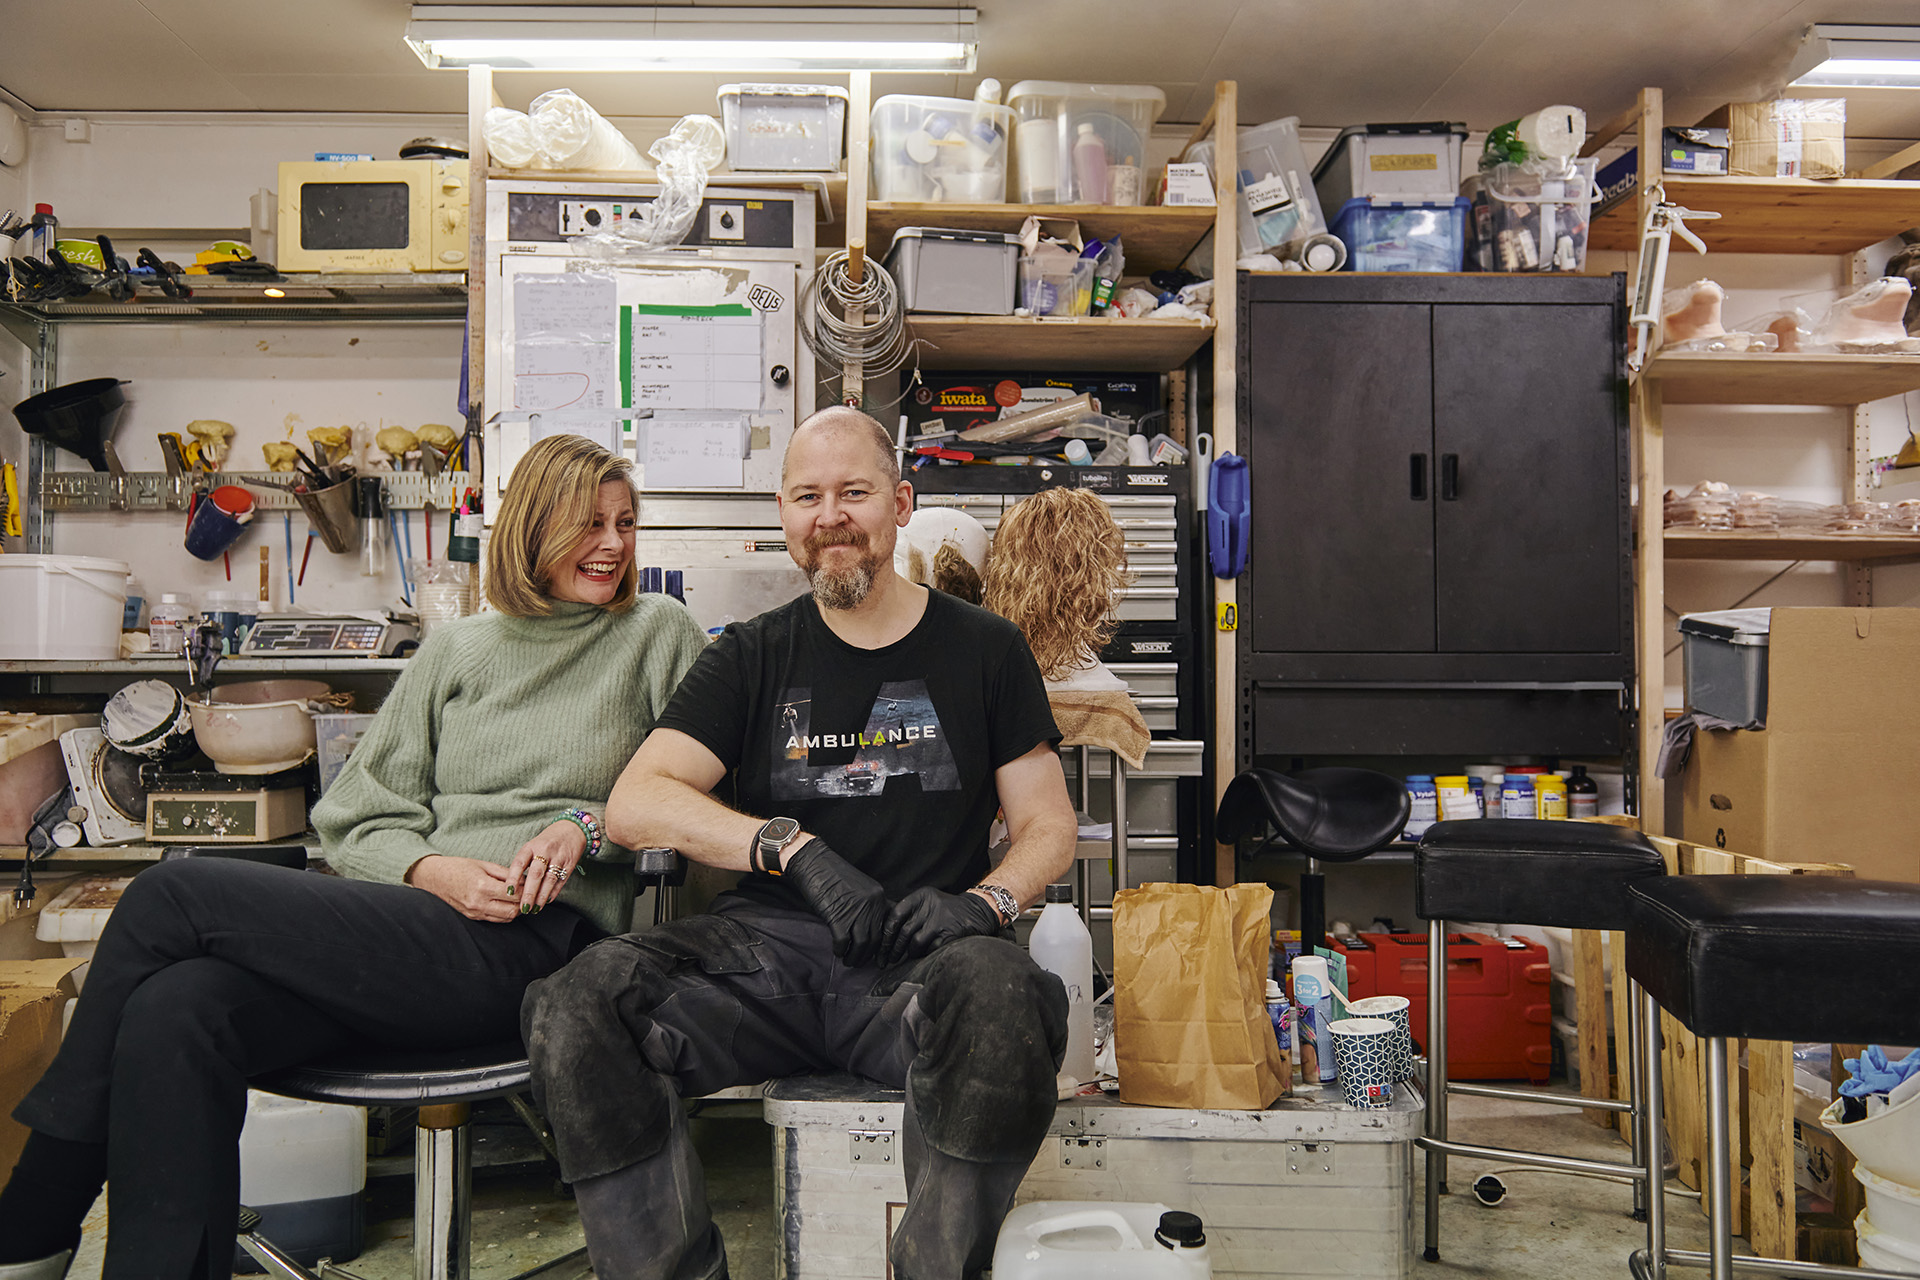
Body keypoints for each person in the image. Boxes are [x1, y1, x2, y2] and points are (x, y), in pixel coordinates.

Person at [0, 434, 707, 1280]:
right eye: (590, 523)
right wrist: (431, 869)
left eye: (625, 523)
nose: (614, 544)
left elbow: (694, 794)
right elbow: (357, 815)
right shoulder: (457, 650)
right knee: (176, 1008)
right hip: (416, 935)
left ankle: (35, 1217)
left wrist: (584, 827)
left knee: (169, 895)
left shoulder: (656, 632)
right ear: (532, 526)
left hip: (540, 952)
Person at [523, 407, 1079, 1280]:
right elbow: (635, 804)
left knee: (1008, 994)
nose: (831, 518)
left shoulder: (986, 649)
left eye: (853, 493)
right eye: (807, 497)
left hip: (918, 971)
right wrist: (792, 847)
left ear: (899, 503)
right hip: (764, 968)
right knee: (579, 1002)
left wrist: (985, 902)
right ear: (783, 513)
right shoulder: (750, 655)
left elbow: (1049, 824)